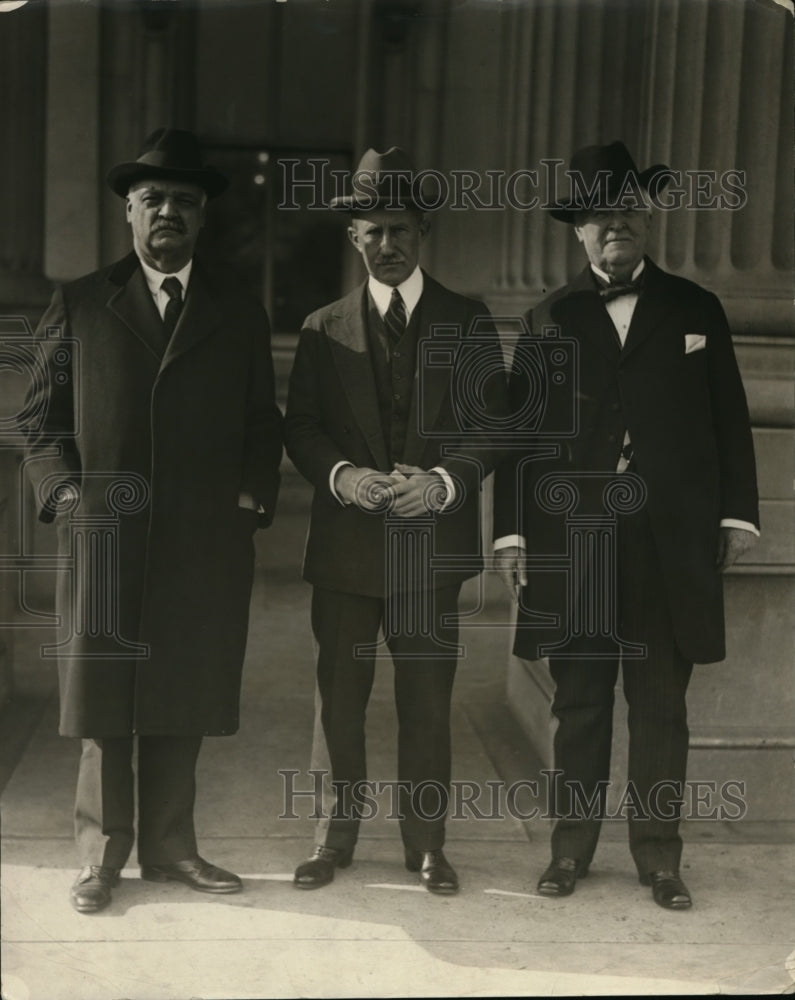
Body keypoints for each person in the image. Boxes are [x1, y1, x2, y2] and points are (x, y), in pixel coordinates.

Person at [21, 128, 283, 913]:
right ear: (128, 213)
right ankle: (101, 856)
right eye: (154, 199)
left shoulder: (236, 308)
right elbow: (41, 424)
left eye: (185, 202)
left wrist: (246, 505)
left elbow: (260, 425)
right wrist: (68, 501)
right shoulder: (79, 301)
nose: (169, 212)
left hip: (202, 539)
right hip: (106, 533)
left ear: (203, 219)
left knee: (183, 687)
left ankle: (172, 849)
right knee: (105, 698)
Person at [493, 141, 759, 910]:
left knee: (659, 708)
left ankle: (658, 858)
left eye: (629, 209)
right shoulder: (548, 317)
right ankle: (569, 851)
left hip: (667, 541)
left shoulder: (695, 308)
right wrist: (511, 535)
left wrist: (735, 514)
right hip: (573, 544)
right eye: (599, 213)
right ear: (576, 229)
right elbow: (518, 438)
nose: (617, 222)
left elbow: (728, 419)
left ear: (646, 219)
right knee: (578, 704)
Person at [285, 146, 508, 894]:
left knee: (425, 704)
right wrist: (345, 476)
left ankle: (426, 848)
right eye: (373, 230)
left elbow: (490, 428)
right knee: (338, 702)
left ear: (423, 235)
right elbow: (303, 427)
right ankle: (330, 841)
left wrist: (442, 484)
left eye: (402, 230)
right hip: (346, 549)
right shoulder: (321, 327)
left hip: (430, 550)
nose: (388, 245)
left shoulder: (466, 321)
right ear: (353, 236)